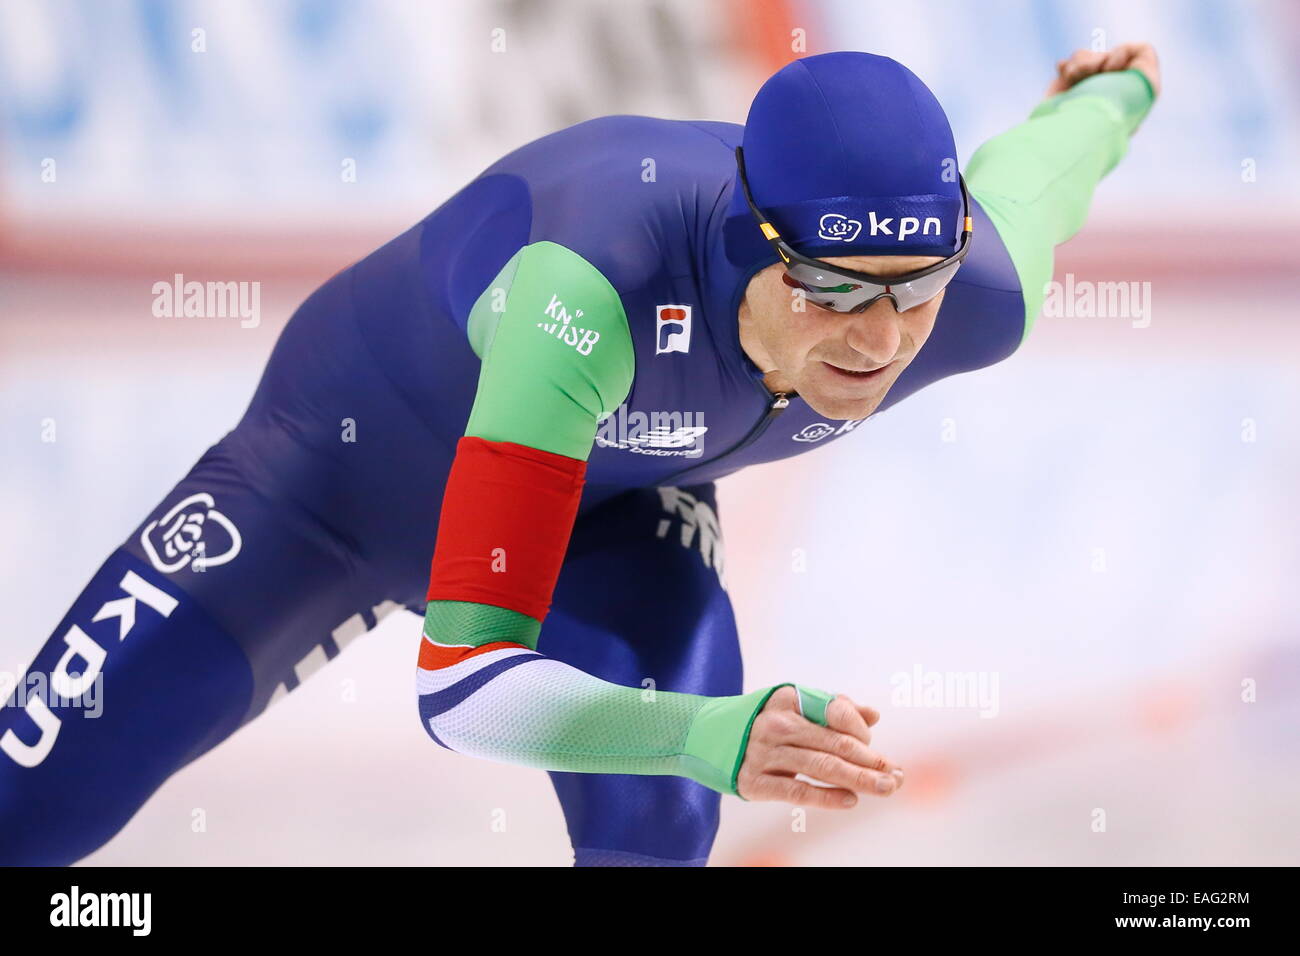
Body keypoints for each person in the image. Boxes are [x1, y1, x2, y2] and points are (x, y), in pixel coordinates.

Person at [0, 46, 1159, 867]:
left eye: (915, 292)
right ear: (753, 240)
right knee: (33, 812)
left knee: (657, 821)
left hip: (614, 510)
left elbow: (1045, 169)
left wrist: (1115, 89)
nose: (877, 339)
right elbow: (462, 693)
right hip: (329, 487)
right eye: (832, 288)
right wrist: (708, 732)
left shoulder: (977, 294)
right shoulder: (591, 288)